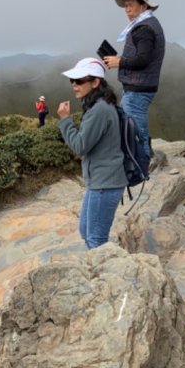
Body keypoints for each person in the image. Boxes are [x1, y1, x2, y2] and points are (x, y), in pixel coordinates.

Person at [57, 57, 127, 249]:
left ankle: (103, 277)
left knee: (96, 239)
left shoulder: (99, 110)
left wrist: (65, 120)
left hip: (105, 182)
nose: (74, 85)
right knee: (85, 230)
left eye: (79, 81)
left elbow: (80, 146)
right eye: (72, 80)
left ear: (95, 82)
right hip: (100, 181)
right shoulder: (101, 105)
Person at [102, 0, 165, 165]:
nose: (127, 10)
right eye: (125, 6)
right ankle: (144, 156)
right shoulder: (147, 24)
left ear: (143, 6)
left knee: (135, 126)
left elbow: (143, 59)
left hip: (139, 87)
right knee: (135, 122)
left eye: (131, 5)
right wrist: (119, 59)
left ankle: (144, 162)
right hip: (140, 85)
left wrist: (119, 61)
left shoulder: (144, 28)